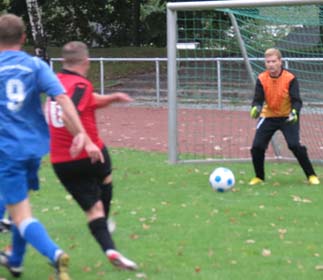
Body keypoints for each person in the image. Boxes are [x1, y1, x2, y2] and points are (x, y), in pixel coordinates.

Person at [0, 14, 103, 280]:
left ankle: (55, 254)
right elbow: (61, 98)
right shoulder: (35, 65)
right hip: (32, 150)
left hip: (6, 150)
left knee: (21, 215)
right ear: (23, 38)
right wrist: (80, 132)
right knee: (19, 206)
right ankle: (16, 261)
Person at [45, 41, 138, 271]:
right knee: (104, 173)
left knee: (93, 210)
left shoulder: (54, 83)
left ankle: (111, 250)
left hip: (60, 162)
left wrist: (113, 98)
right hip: (88, 154)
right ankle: (105, 220)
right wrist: (84, 141)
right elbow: (70, 113)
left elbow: (90, 101)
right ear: (86, 62)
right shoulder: (81, 84)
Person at [249, 48, 320, 186]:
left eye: (274, 61)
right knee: (257, 147)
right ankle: (259, 177)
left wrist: (294, 112)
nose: (271, 65)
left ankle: (311, 175)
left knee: (294, 145)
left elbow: (297, 100)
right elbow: (257, 100)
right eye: (268, 62)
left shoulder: (290, 78)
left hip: (288, 117)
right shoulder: (262, 78)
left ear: (280, 62)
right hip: (268, 116)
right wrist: (255, 107)